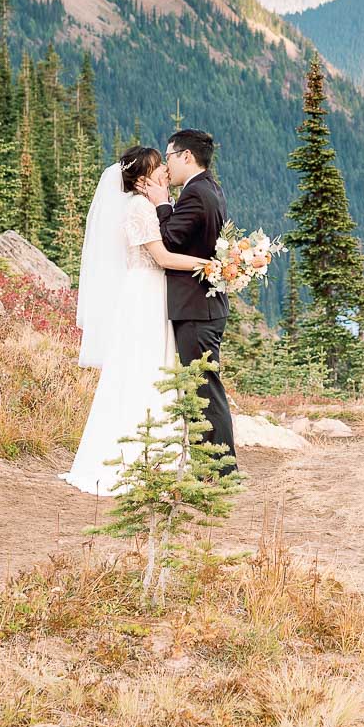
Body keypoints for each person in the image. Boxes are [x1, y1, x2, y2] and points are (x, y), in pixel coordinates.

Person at [60, 145, 208, 496]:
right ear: (142, 179)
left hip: (148, 292)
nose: (165, 170)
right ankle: (140, 456)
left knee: (150, 366)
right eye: (158, 166)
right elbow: (162, 257)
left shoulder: (143, 205)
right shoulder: (140, 209)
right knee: (146, 367)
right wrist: (207, 264)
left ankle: (156, 453)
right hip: (146, 294)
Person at [138, 127, 236, 468]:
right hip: (203, 305)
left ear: (186, 156)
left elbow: (170, 240)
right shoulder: (209, 187)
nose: (166, 166)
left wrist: (162, 204)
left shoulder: (195, 193)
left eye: (168, 157)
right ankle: (210, 465)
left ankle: (220, 469)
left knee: (204, 390)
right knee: (202, 388)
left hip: (196, 308)